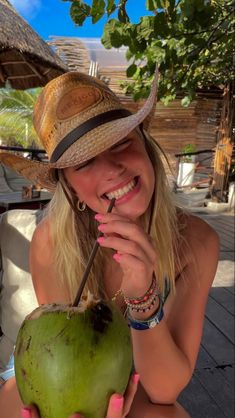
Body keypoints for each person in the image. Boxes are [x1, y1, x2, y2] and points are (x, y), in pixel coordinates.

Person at [0, 69, 219, 418]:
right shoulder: (51, 242)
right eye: (84, 162)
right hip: (50, 365)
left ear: (145, 144)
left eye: (121, 143)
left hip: (137, 373)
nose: (113, 169)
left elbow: (164, 389)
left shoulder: (196, 243)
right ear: (70, 188)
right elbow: (63, 364)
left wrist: (143, 296)